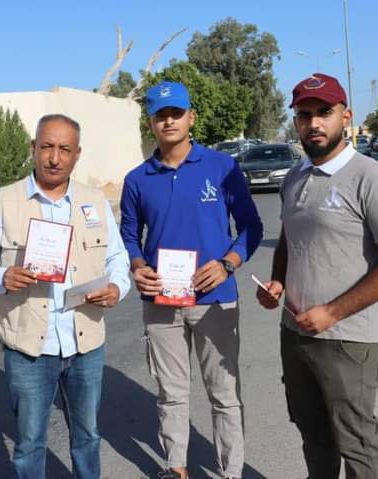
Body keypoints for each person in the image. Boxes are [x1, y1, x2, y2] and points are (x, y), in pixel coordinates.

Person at [256, 73, 378, 479]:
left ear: (346, 116)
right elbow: (290, 238)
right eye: (304, 115)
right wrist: (278, 282)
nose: (313, 123)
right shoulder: (295, 177)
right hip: (296, 332)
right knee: (313, 434)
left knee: (355, 442)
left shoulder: (371, 178)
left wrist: (332, 312)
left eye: (324, 112)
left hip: (349, 338)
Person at [0, 113, 131, 479]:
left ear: (77, 154)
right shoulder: (5, 200)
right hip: (29, 347)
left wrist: (117, 287)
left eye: (65, 149)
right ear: (33, 148)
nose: (55, 158)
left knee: (87, 436)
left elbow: (117, 257)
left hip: (85, 341)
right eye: (47, 147)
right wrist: (1, 276)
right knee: (29, 443)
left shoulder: (94, 201)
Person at [120, 81, 264, 479]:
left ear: (191, 118)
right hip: (162, 302)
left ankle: (230, 471)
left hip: (215, 299)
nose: (169, 121)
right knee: (171, 393)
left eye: (176, 113)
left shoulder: (222, 167)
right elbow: (129, 234)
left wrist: (227, 263)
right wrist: (137, 266)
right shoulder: (137, 179)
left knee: (224, 394)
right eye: (160, 115)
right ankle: (176, 467)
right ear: (150, 123)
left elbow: (251, 226)